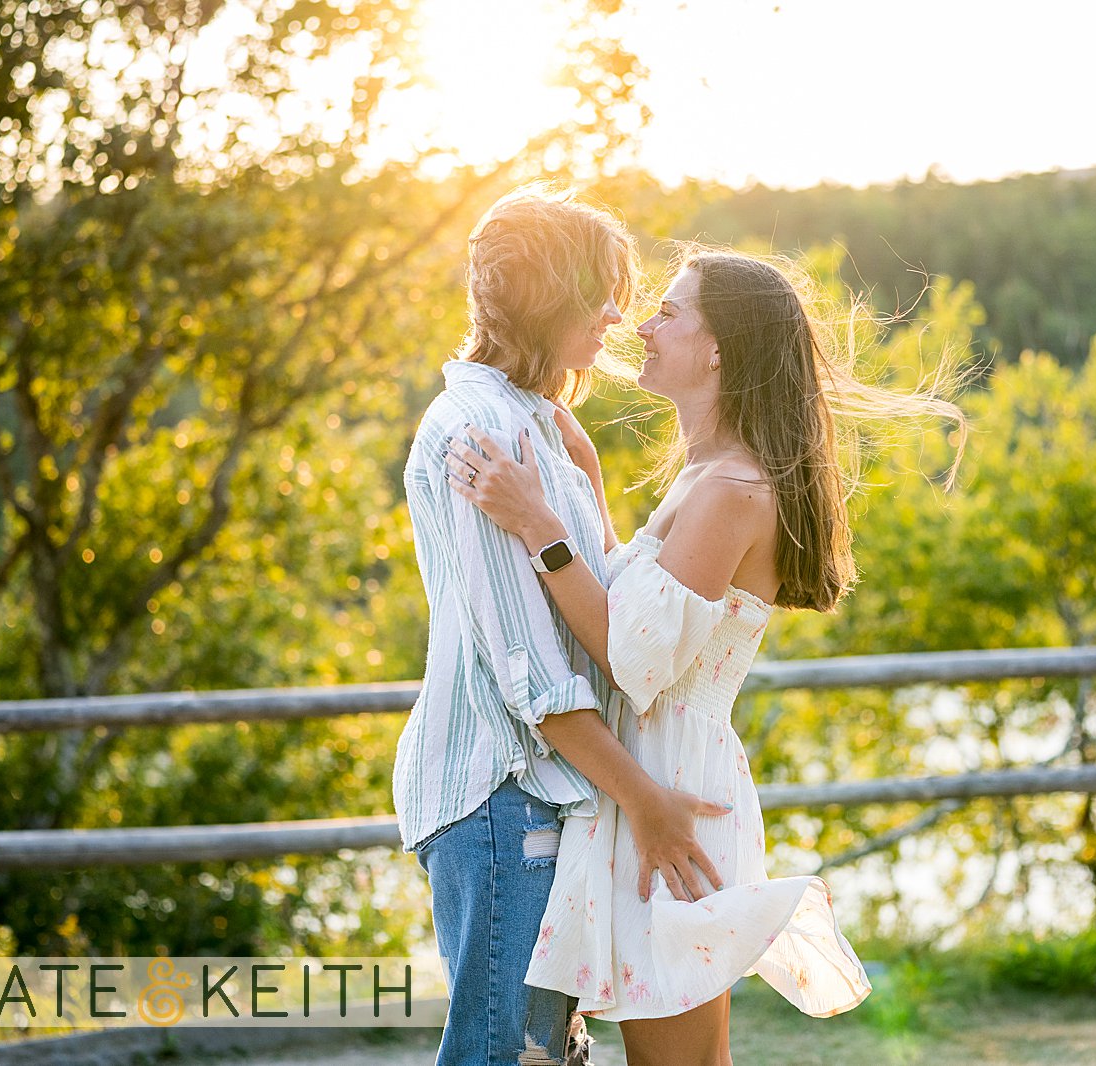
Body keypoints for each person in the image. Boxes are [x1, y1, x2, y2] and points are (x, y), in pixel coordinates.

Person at [446, 247, 965, 1065]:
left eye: (670, 312)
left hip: (673, 794)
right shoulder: (702, 477)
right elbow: (644, 619)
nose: (643, 327)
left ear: (719, 347)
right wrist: (584, 479)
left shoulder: (730, 489)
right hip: (644, 784)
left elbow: (631, 662)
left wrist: (536, 523)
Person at [396, 188, 733, 1066]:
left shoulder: (540, 427)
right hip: (502, 793)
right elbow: (531, 679)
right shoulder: (481, 430)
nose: (619, 315)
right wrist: (647, 801)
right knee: (503, 1057)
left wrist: (581, 474)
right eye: (600, 294)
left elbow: (609, 622)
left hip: (545, 796)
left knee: (548, 1057)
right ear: (549, 298)